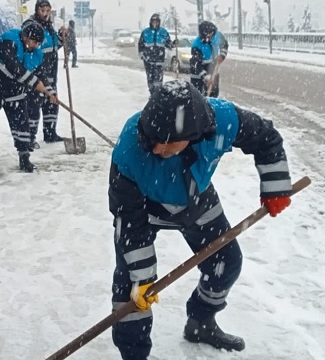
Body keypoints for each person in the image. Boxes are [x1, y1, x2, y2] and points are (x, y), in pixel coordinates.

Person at [108, 80, 293, 360]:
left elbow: (266, 137)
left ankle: (201, 323)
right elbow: (128, 221)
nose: (156, 149)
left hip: (197, 197)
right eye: (152, 138)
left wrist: (275, 186)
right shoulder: (129, 152)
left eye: (166, 142)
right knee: (131, 290)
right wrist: (143, 278)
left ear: (193, 135)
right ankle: (134, 355)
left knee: (226, 262)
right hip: (144, 210)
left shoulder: (223, 120)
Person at [0, 22, 57, 173]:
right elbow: (14, 67)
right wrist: (35, 83)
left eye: (39, 43)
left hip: (15, 93)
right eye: (35, 42)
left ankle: (24, 158)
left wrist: (50, 92)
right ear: (26, 37)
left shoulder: (36, 53)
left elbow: (41, 74)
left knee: (21, 125)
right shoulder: (8, 41)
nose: (37, 46)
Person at [22, 0, 65, 147]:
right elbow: (30, 47)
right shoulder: (32, 26)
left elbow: (53, 47)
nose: (45, 14)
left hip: (51, 72)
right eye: (42, 10)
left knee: (52, 103)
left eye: (48, 10)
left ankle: (50, 133)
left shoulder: (49, 27)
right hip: (37, 72)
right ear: (37, 10)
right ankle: (30, 138)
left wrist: (60, 37)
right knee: (34, 106)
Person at [137, 13, 175, 93]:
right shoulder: (145, 32)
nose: (155, 23)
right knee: (150, 79)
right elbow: (140, 44)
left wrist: (173, 44)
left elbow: (168, 44)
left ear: (159, 22)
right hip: (148, 60)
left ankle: (157, 95)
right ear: (150, 22)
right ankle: (152, 94)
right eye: (153, 21)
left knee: (158, 80)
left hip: (159, 60)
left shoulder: (163, 32)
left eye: (156, 21)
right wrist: (141, 54)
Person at [190, 21, 228, 98]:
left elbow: (225, 45)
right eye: (208, 34)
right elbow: (196, 64)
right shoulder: (196, 45)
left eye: (211, 33)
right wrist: (205, 77)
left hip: (213, 70)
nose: (210, 35)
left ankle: (211, 107)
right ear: (203, 34)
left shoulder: (217, 35)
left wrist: (222, 55)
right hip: (198, 74)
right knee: (198, 97)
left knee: (213, 95)